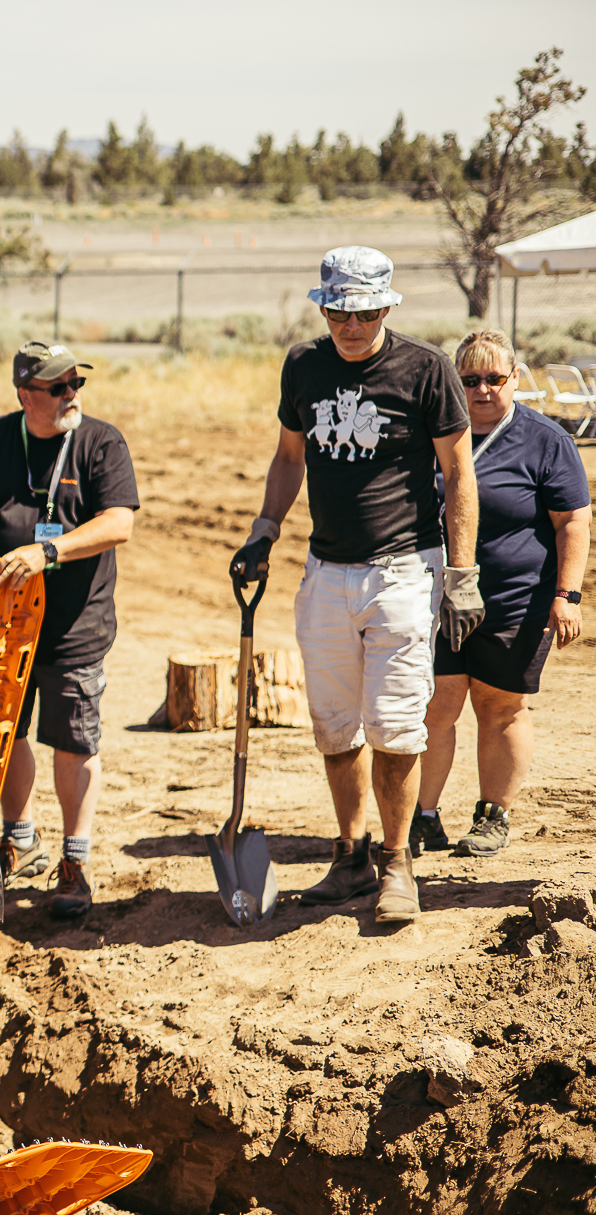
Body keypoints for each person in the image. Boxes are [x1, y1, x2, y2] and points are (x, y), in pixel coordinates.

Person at [230, 246, 479, 926]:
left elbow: (459, 475)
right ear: (325, 307)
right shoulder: (303, 367)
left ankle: (397, 864)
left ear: (386, 307)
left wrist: (461, 573)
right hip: (325, 571)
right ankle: (351, 854)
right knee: (335, 726)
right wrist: (263, 528)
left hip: (403, 571)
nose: (351, 324)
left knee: (395, 726)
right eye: (340, 310)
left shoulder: (426, 370)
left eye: (365, 311)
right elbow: (288, 457)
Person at [0, 341, 138, 919]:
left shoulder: (102, 442)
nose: (71, 394)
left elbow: (118, 523)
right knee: (3, 731)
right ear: (26, 394)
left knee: (73, 740)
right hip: (1, 622)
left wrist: (49, 550)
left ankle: (75, 861)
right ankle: (19, 838)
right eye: (58, 387)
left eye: (76, 383)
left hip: (75, 624)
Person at [411, 333, 590, 858]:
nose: (483, 389)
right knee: (435, 705)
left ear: (516, 378)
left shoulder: (545, 439)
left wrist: (568, 595)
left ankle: (493, 815)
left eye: (495, 378)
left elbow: (574, 522)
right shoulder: (434, 433)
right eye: (469, 380)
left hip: (516, 599)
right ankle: (423, 817)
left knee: (499, 707)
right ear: (454, 382)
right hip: (435, 598)